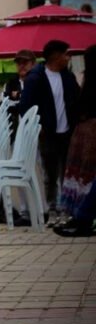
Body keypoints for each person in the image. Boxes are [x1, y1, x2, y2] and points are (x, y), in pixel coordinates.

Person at [20, 39, 80, 216]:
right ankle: (52, 207)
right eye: (65, 54)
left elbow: (77, 100)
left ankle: (68, 206)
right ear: (56, 56)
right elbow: (25, 106)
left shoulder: (68, 78)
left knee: (68, 173)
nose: (68, 58)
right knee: (50, 173)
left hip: (68, 132)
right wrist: (38, 126)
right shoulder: (35, 78)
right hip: (48, 133)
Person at [58, 44, 96, 219]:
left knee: (83, 173)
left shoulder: (86, 80)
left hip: (83, 132)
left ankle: (80, 212)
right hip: (91, 133)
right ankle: (84, 214)